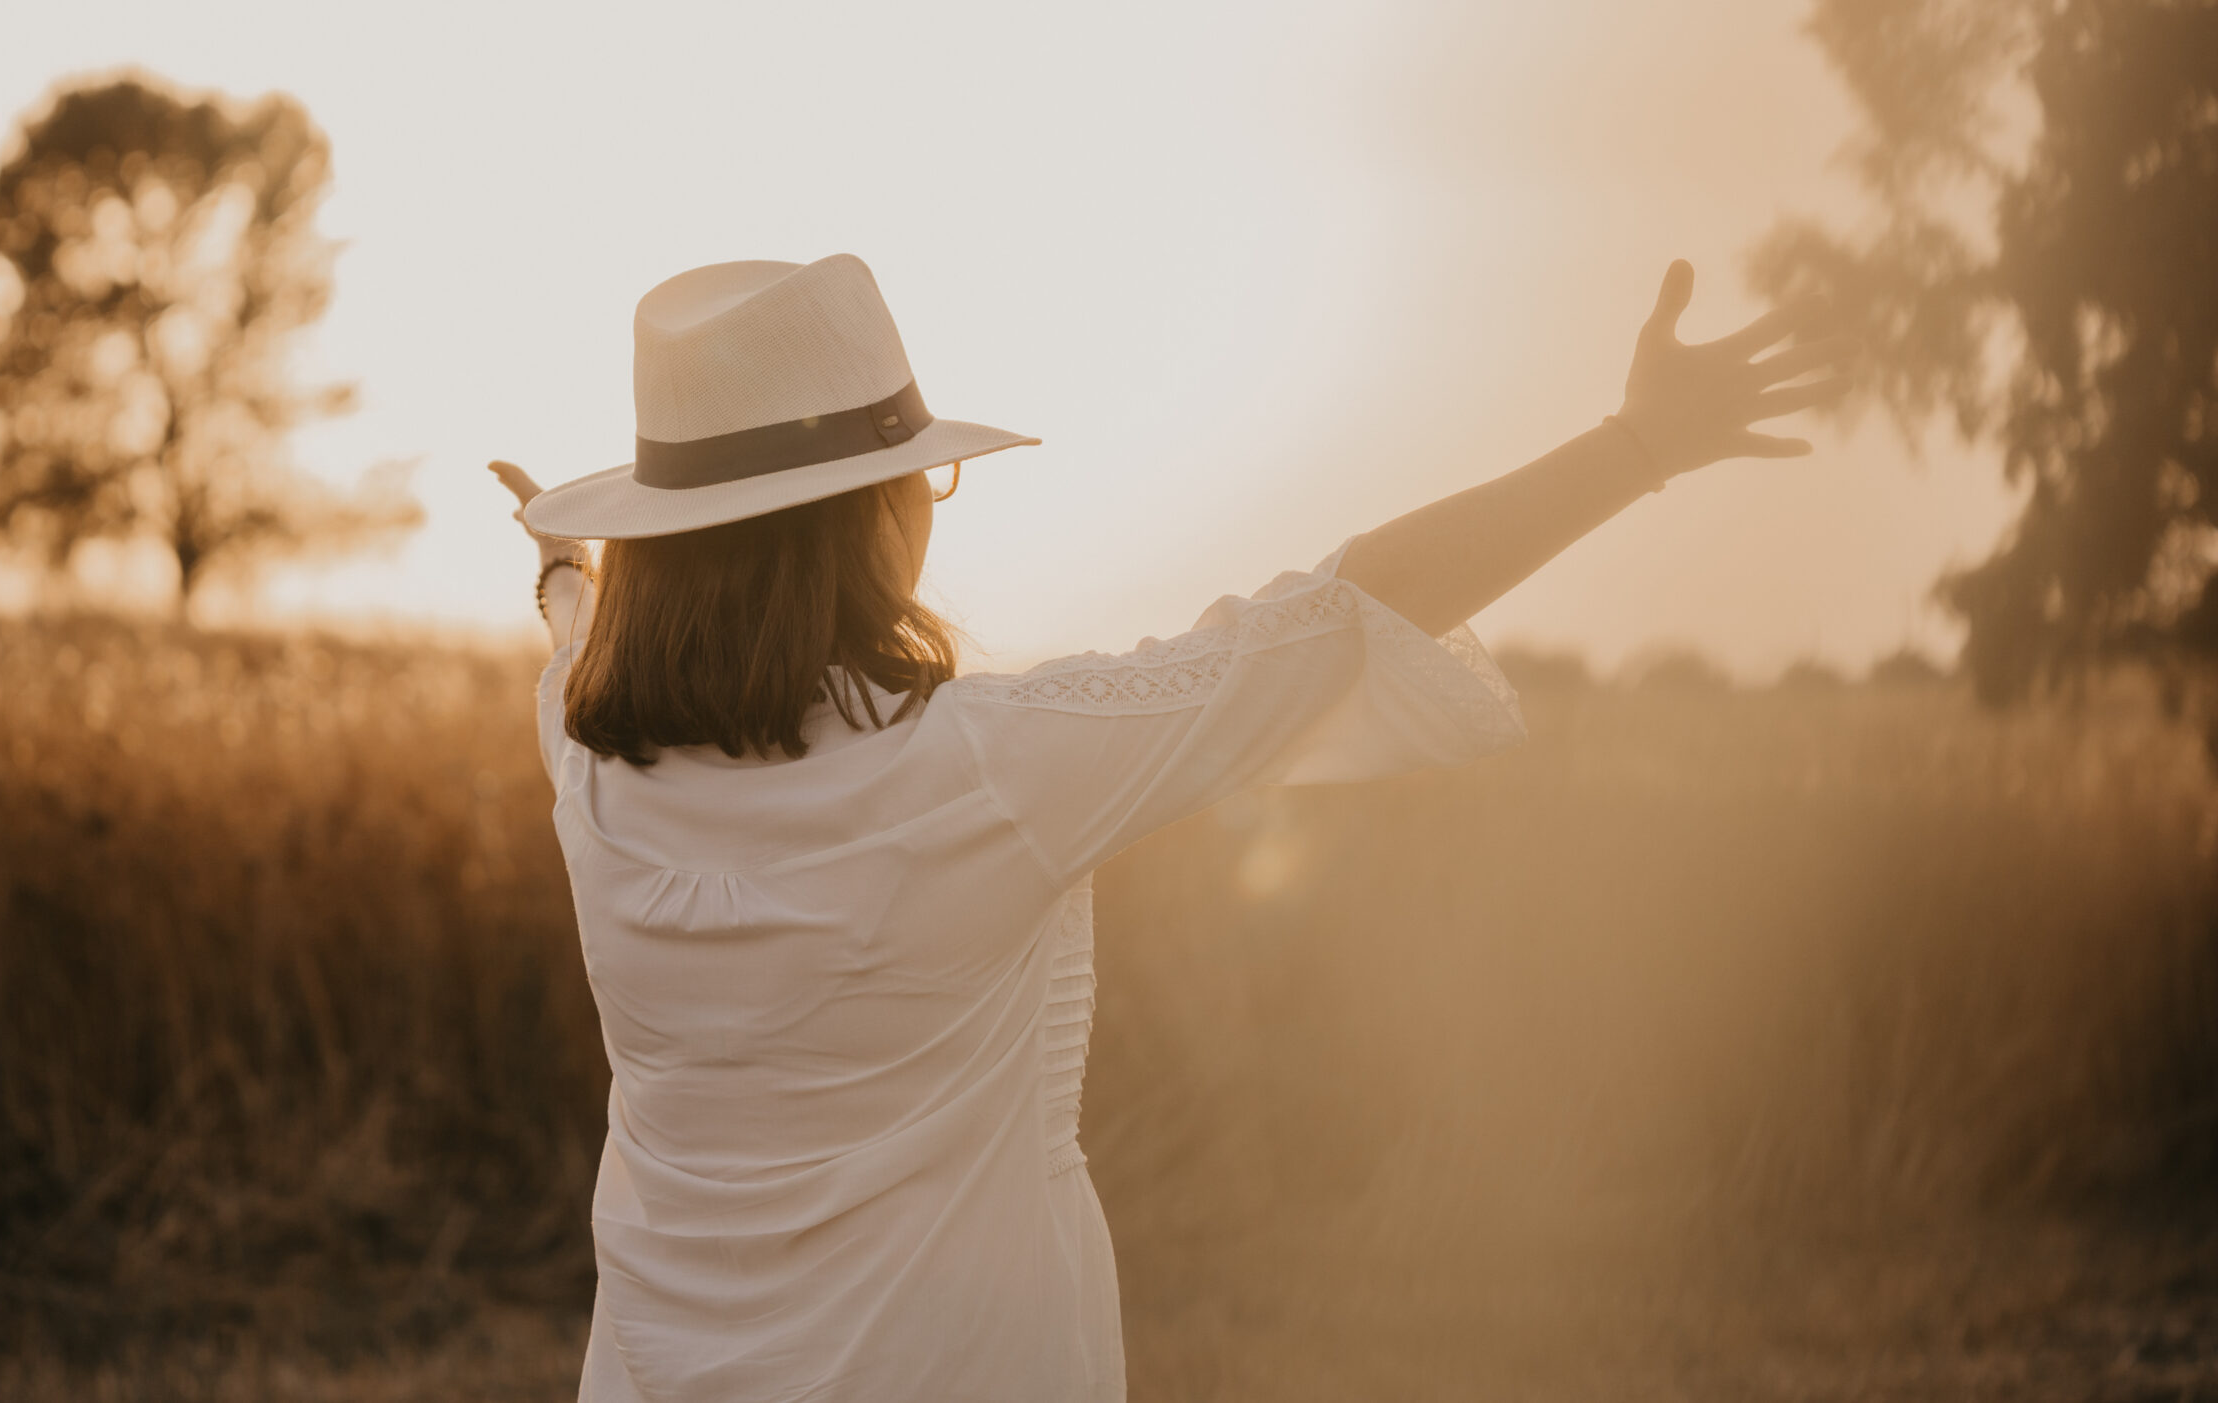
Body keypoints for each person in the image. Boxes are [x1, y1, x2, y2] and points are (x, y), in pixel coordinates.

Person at [491, 252, 1846, 1402]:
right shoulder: (986, 770)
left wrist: (565, 563)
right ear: (868, 526)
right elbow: (1335, 617)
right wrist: (1636, 450)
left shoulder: (591, 763)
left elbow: (577, 642)